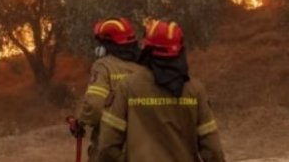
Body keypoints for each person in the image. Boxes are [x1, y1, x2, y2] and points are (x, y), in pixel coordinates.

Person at [97, 19, 226, 162]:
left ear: (147, 49)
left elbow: (107, 147)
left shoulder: (127, 87)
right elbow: (213, 150)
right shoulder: (195, 90)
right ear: (180, 50)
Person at [71, 17, 144, 162]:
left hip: (113, 149)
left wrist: (80, 121)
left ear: (105, 46)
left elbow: (94, 106)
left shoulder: (104, 66)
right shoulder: (147, 66)